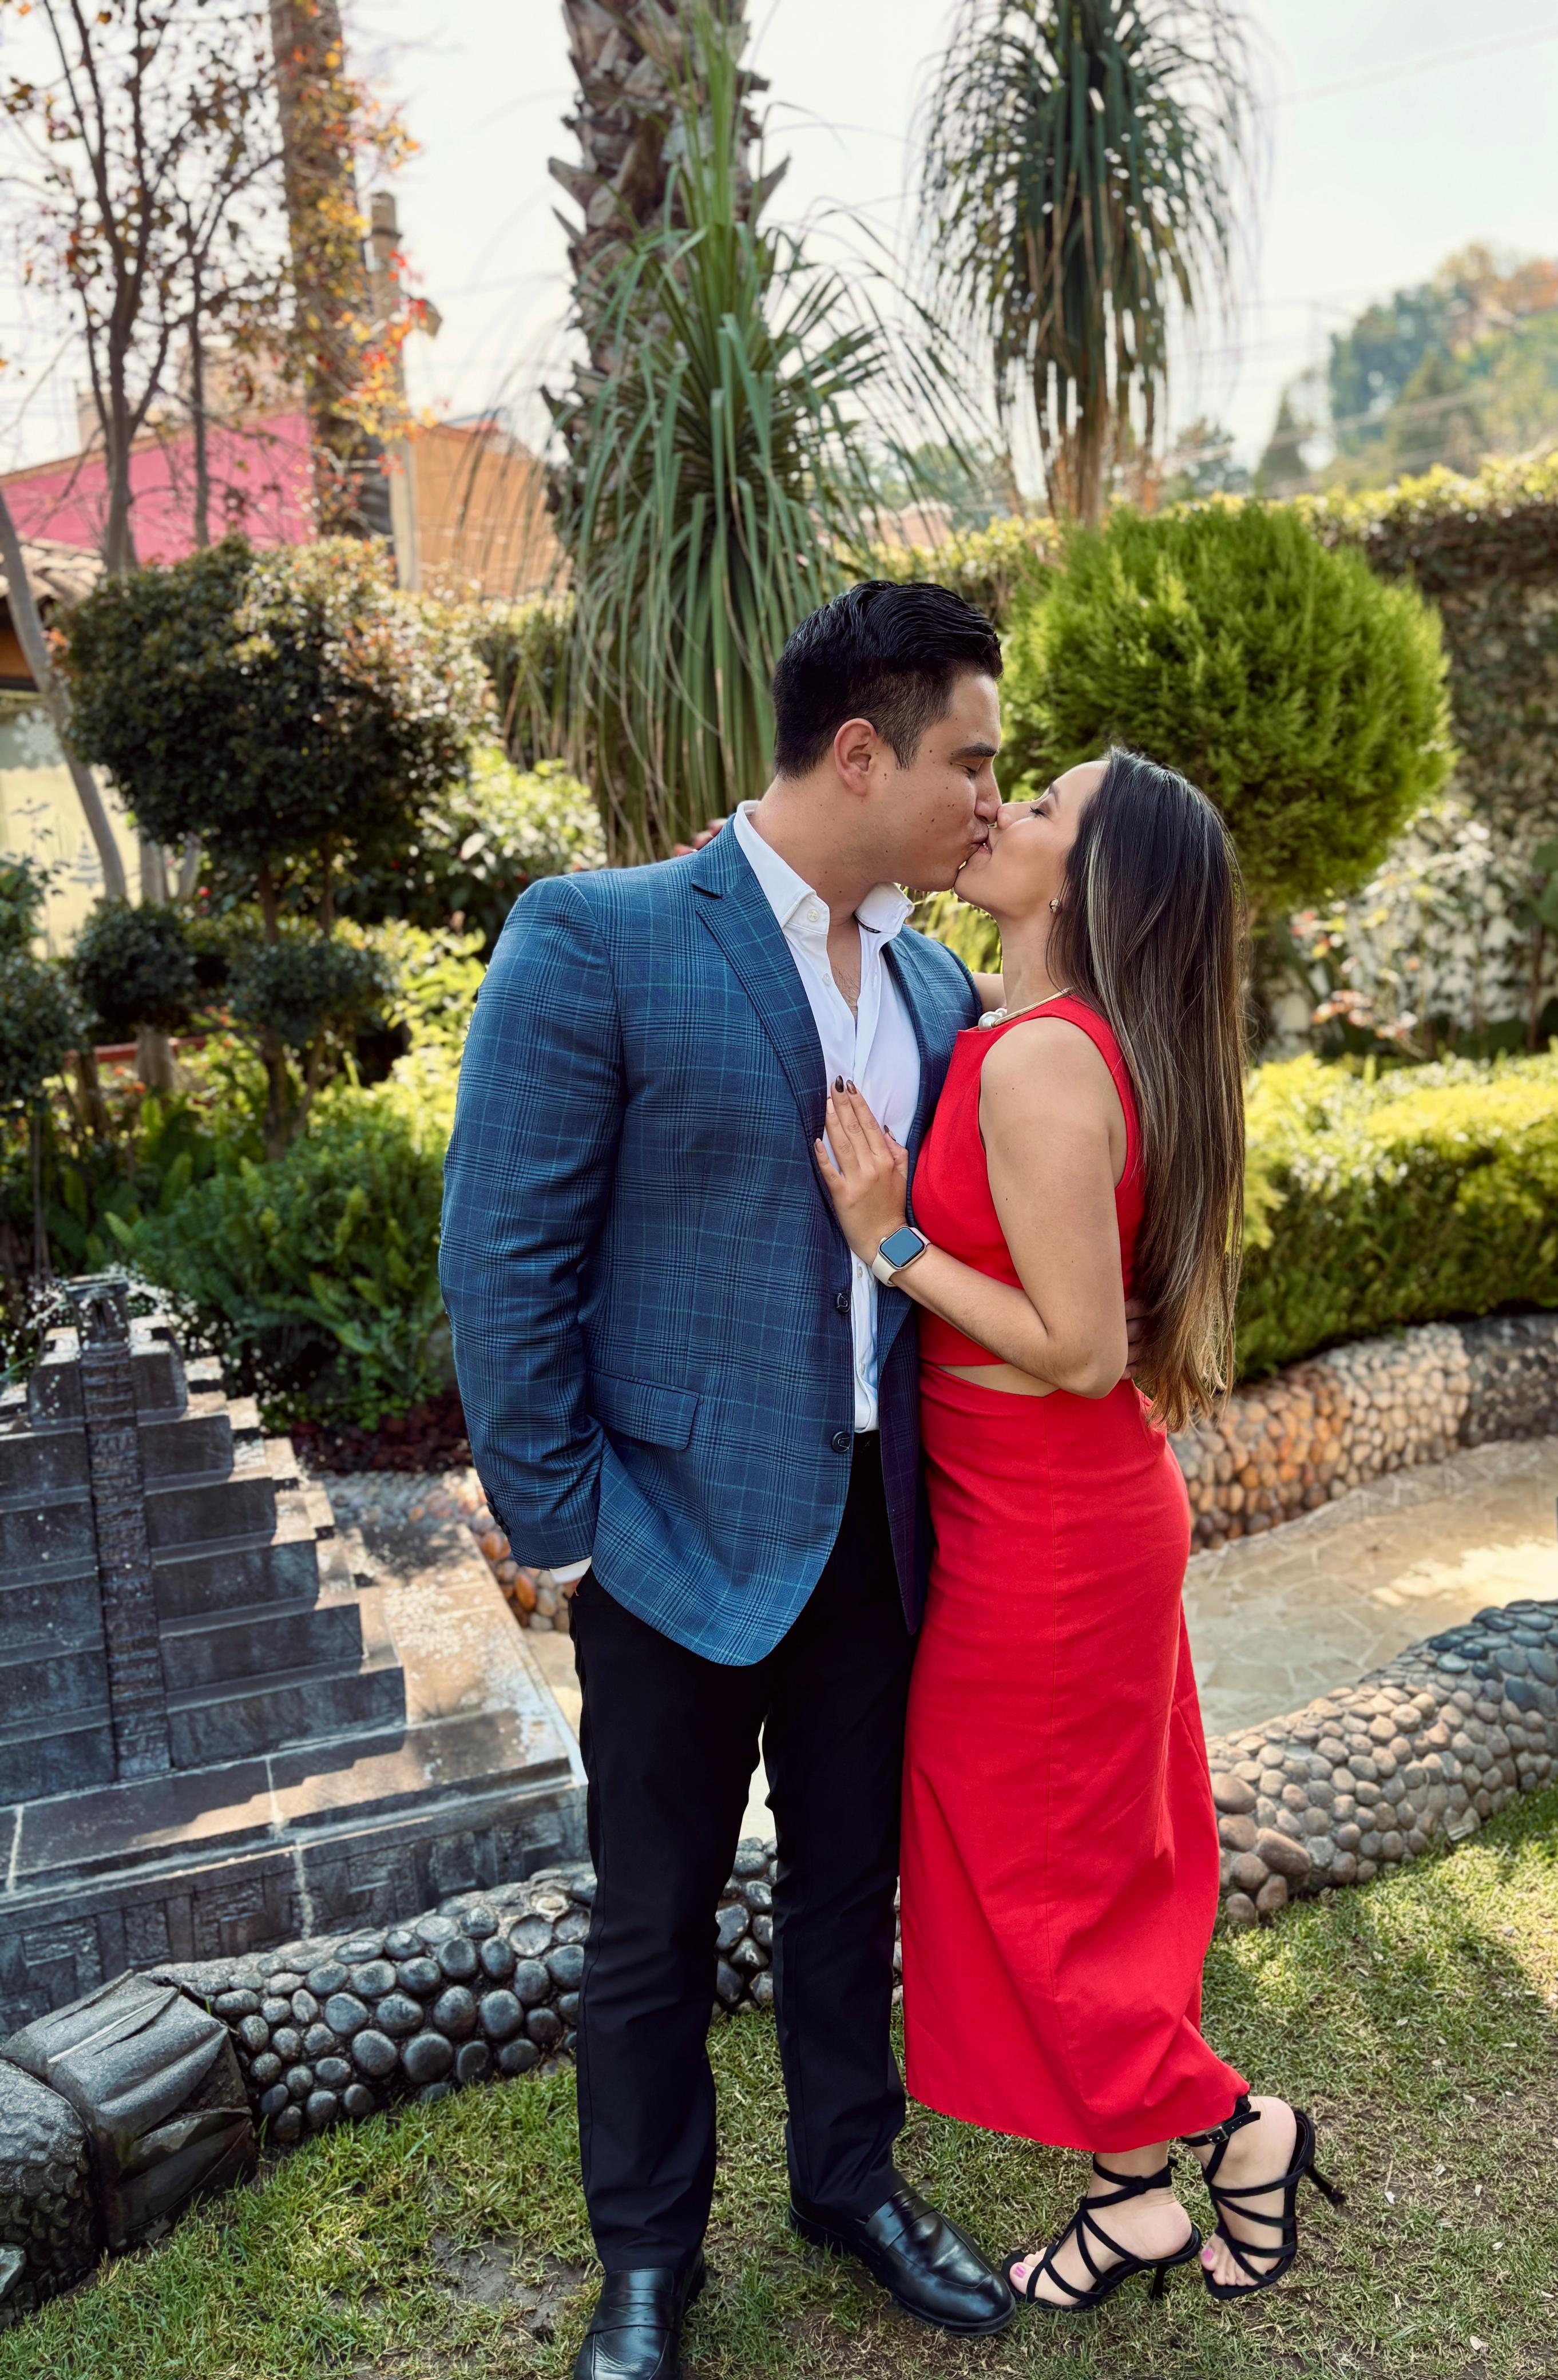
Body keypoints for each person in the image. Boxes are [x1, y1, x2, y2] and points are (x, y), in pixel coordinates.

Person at [439, 581, 1022, 2380]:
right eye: (968, 762)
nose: (987, 800)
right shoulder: (596, 935)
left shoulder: (936, 982)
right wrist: (571, 1533)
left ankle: (849, 2186)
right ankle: (644, 2259)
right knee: (652, 1921)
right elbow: (504, 1261)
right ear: (858, 753)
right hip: (666, 1537)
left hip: (878, 1535)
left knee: (849, 1894)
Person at [815, 749, 1343, 2317]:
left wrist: (890, 1241)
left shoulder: (1046, 1062)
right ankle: (1134, 2203)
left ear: (1097, 880)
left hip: (1048, 1530)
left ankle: (1238, 2131)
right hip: (1046, 1511)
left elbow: (1077, 1346)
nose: (1003, 811)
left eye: (1041, 805)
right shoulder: (1035, 1027)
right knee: (1071, 1870)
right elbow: (902, 962)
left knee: (1021, 1876)